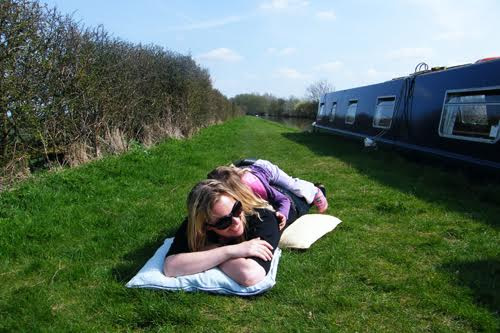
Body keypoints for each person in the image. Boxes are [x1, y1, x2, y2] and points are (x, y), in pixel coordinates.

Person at [163, 179, 280, 287]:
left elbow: (249, 275)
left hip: (292, 201)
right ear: (207, 227)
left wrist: (205, 252)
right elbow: (171, 267)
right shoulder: (195, 226)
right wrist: (229, 251)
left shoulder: (262, 218)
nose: (236, 221)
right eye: (224, 222)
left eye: (237, 209)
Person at [207, 159, 328, 230]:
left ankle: (316, 190)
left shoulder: (255, 186)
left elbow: (283, 199)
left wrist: (283, 214)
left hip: (266, 169)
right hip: (247, 169)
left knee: (292, 185)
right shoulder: (227, 182)